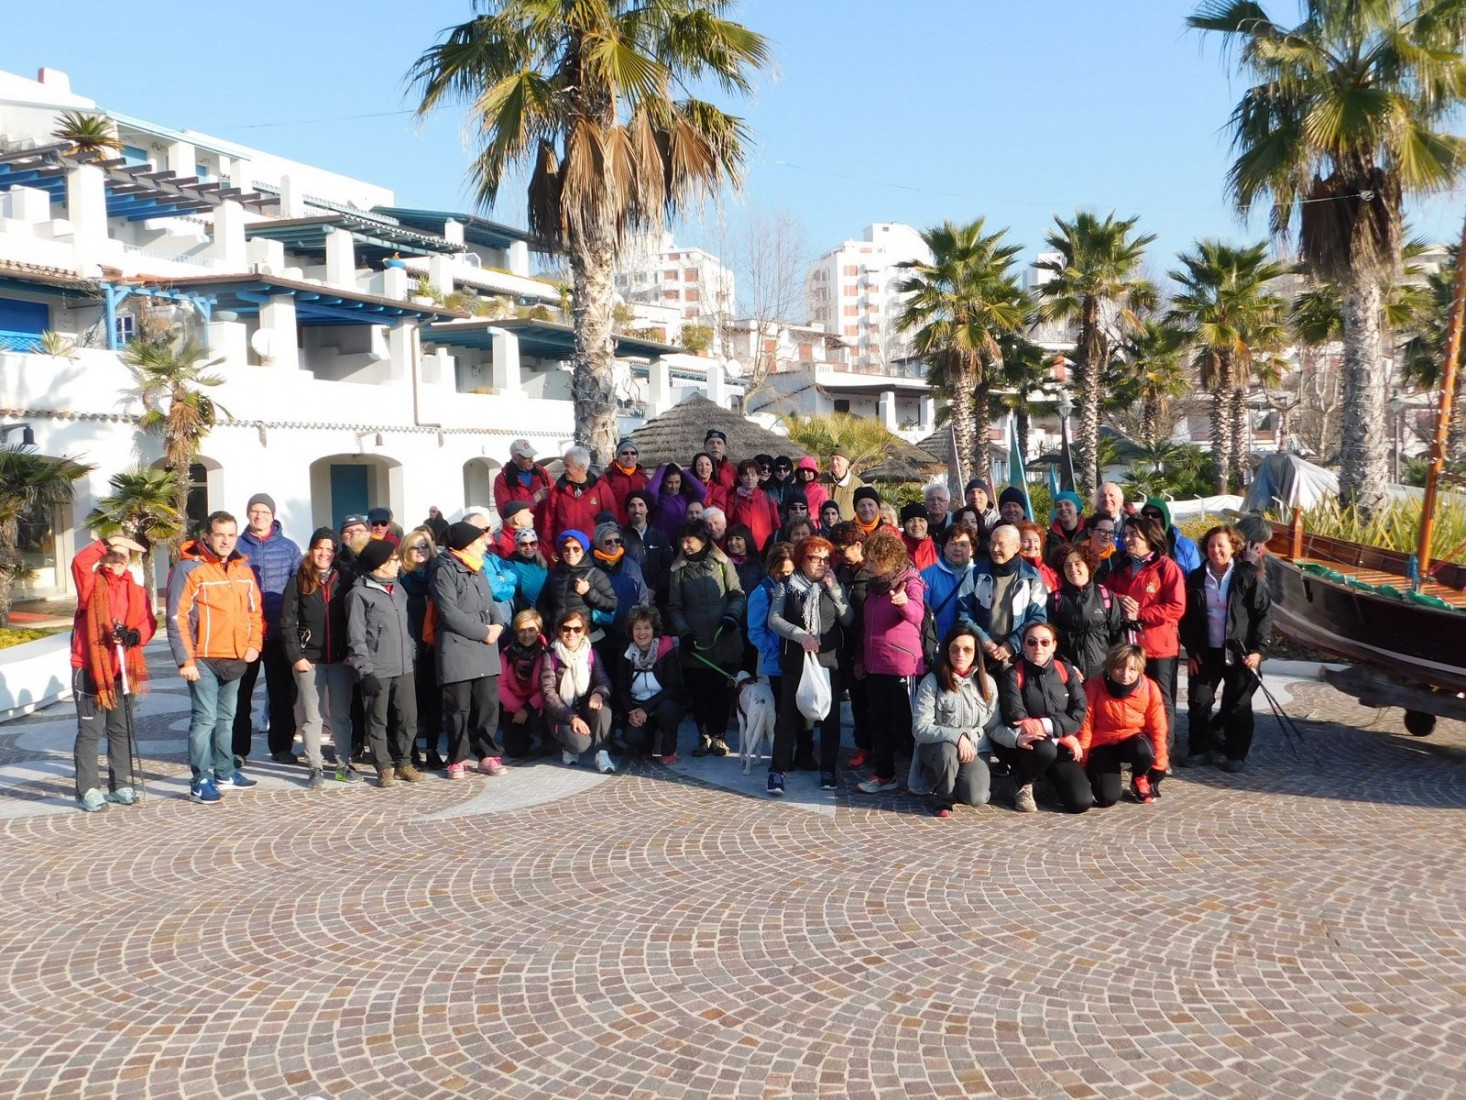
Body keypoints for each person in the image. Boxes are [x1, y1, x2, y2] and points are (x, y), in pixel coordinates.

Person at [167, 511, 264, 805]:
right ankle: (200, 780)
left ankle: (225, 771)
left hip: (235, 658)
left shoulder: (243, 570)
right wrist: (185, 660)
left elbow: (255, 612)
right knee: (205, 720)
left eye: (231, 535)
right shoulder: (190, 569)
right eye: (220, 534)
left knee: (226, 720)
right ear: (207, 536)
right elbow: (177, 617)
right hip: (203, 658)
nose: (226, 541)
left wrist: (254, 644)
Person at [1179, 524, 1273, 773]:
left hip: (1239, 652)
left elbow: (1263, 614)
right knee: (1199, 701)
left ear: (1233, 547)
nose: (1216, 550)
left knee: (1237, 705)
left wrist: (1258, 650)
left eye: (1221, 545)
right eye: (1211, 545)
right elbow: (1186, 618)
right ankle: (1199, 749)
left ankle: (1235, 754)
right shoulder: (1196, 578)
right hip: (1205, 652)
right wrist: (1191, 651)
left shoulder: (1246, 575)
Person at [70, 534, 154, 812]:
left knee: (120, 728)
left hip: (122, 667)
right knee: (90, 730)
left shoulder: (137, 590)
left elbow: (147, 622)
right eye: (113, 554)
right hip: (90, 667)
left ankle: (120, 784)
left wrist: (134, 635)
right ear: (104, 556)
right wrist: (110, 541)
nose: (118, 559)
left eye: (123, 555)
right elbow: (79, 563)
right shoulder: (91, 583)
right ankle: (88, 789)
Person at [766, 534, 853, 795]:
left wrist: (835, 590)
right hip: (796, 659)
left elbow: (848, 619)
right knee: (788, 716)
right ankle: (777, 770)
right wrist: (799, 635)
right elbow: (774, 619)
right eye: (815, 558)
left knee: (830, 717)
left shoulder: (833, 584)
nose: (822, 564)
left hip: (827, 659)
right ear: (802, 559)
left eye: (826, 559)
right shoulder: (787, 584)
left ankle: (828, 768)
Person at [280, 528, 362, 789]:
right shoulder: (298, 580)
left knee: (341, 715)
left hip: (340, 659)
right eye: (319, 548)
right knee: (312, 716)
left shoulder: (345, 579)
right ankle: (315, 765)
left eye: (329, 549)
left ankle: (342, 764)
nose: (324, 553)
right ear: (311, 549)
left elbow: (356, 617)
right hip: (309, 659)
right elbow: (287, 622)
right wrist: (296, 656)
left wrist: (352, 652)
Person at [432, 521, 507, 779]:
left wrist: (499, 624)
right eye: (479, 541)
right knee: (458, 708)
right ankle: (457, 757)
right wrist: (484, 632)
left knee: (487, 706)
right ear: (465, 545)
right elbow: (448, 612)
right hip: (458, 649)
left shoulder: (478, 568)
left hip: (485, 648)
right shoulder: (444, 569)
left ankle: (488, 754)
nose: (485, 544)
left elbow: (490, 603)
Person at [991, 621, 1091, 814]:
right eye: (1032, 642)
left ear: (1054, 645)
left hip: (1060, 747)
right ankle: (1022, 783)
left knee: (1080, 802)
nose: (1038, 647)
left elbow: (1078, 712)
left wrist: (1047, 727)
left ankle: (1047, 780)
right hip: (1030, 748)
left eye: (1045, 642)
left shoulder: (1066, 671)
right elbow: (1016, 717)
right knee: (1045, 749)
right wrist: (1063, 735)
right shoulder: (1013, 674)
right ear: (1023, 645)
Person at [1108, 514, 1187, 751]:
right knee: (1130, 697)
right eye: (1126, 534)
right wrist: (1119, 600)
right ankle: (1134, 749)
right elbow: (1106, 595)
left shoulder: (1166, 567)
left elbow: (1177, 606)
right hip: (1128, 646)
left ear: (1149, 538)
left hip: (1158, 647)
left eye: (1134, 534)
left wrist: (1141, 613)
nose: (1127, 539)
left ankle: (1162, 752)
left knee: (1161, 700)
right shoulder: (1120, 566)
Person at [346, 539, 421, 787]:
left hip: (404, 666)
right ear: (379, 563)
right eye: (393, 559)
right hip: (376, 669)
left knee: (408, 717)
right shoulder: (359, 594)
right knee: (377, 719)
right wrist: (365, 671)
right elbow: (356, 636)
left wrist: (411, 652)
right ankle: (383, 767)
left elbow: (408, 626)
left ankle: (404, 763)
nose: (399, 563)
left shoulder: (399, 589)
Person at [855, 531, 925, 795]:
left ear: (889, 560)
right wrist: (860, 658)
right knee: (879, 722)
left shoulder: (910, 580)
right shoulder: (874, 585)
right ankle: (885, 775)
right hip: (874, 664)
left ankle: (922, 774)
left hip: (901, 665)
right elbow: (866, 625)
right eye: (868, 559)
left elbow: (917, 615)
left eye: (873, 560)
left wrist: (903, 603)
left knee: (910, 724)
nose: (868, 565)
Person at [233, 492, 301, 767]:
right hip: (245, 633)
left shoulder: (288, 548)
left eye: (265, 511)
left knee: (281, 692)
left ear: (273, 516)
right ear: (248, 513)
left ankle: (282, 746)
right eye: (255, 510)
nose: (259, 515)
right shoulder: (236, 546)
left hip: (277, 630)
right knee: (241, 694)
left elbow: (298, 587)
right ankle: (238, 749)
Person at [667, 518, 744, 757]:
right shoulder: (678, 570)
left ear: (702, 541)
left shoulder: (722, 563)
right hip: (695, 644)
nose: (685, 546)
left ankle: (719, 734)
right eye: (682, 542)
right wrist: (684, 632)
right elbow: (675, 607)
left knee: (721, 692)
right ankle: (704, 735)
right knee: (698, 693)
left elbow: (737, 594)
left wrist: (732, 616)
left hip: (724, 640)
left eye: (689, 541)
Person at [911, 622, 999, 817]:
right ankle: (944, 797)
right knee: (947, 751)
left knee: (976, 797)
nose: (961, 654)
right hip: (938, 747)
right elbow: (920, 727)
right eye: (955, 648)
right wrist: (958, 736)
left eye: (967, 649)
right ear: (947, 650)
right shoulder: (932, 681)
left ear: (975, 653)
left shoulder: (988, 683)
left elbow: (993, 726)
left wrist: (1018, 737)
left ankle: (951, 777)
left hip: (975, 749)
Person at [1076, 642, 1169, 806]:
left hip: (1133, 739)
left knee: (1144, 750)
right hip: (1103, 742)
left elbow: (1158, 728)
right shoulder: (1094, 686)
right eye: (1119, 668)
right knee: (1107, 798)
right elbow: (1086, 727)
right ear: (1110, 667)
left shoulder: (1149, 688)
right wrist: (1082, 763)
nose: (1125, 675)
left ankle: (1140, 778)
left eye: (1132, 669)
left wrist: (1160, 765)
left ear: (1139, 670)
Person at [540, 608, 617, 773]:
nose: (571, 633)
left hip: (584, 705)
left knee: (604, 707)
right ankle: (569, 747)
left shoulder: (591, 654)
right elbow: (548, 695)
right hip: (562, 711)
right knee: (580, 744)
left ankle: (601, 753)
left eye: (577, 629)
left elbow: (604, 681)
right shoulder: (551, 656)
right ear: (559, 631)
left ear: (584, 632)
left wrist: (598, 693)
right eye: (566, 628)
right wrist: (572, 717)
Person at [617, 605, 688, 763]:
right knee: (631, 737)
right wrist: (630, 712)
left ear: (653, 629)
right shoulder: (625, 652)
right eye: (637, 628)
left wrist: (646, 708)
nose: (642, 633)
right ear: (631, 631)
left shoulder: (666, 649)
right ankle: (648, 745)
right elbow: (621, 688)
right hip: (637, 706)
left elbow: (672, 687)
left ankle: (669, 749)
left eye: (646, 627)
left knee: (667, 710)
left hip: (663, 704)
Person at [397, 527, 444, 771]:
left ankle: (433, 749)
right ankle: (411, 751)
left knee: (434, 702)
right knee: (411, 705)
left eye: (424, 545)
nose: (420, 550)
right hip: (408, 648)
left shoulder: (437, 577)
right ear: (406, 550)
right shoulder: (399, 579)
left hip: (434, 647)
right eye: (415, 546)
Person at [1047, 542, 1127, 683]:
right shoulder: (1055, 600)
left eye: (1078, 563)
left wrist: (1116, 666)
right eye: (1067, 565)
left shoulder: (1106, 595)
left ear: (1088, 566)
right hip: (1070, 675)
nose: (1073, 569)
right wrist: (1067, 667)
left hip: (1103, 672)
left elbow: (1118, 635)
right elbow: (1052, 640)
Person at [970, 524, 1048, 667]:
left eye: (1001, 544)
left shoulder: (1032, 576)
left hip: (1017, 658)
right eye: (992, 543)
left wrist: (1012, 645)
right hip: (982, 653)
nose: (995, 549)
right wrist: (985, 641)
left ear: (1017, 547)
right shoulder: (976, 574)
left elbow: (1038, 616)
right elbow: (964, 613)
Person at [829, 522, 874, 768]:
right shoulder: (840, 571)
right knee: (858, 699)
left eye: (842, 550)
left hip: (872, 645)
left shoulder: (873, 570)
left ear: (858, 545)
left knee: (876, 701)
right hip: (848, 645)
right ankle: (864, 745)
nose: (839, 555)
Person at [538, 529, 618, 643]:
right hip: (561, 637)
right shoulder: (554, 574)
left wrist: (588, 592)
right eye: (566, 549)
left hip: (588, 637)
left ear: (583, 551)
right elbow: (543, 603)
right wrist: (552, 624)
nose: (571, 553)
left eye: (576, 549)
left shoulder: (596, 574)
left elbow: (612, 604)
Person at [541, 445, 614, 552]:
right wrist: (550, 549)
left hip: (593, 550)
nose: (564, 469)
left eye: (567, 466)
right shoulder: (558, 490)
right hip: (566, 550)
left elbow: (611, 521)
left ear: (580, 467)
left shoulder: (600, 488)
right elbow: (548, 522)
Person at [747, 542, 795, 704]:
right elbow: (755, 631)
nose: (785, 577)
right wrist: (774, 653)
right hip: (777, 663)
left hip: (796, 659)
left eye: (789, 572)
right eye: (780, 573)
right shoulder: (762, 593)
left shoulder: (796, 587)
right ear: (771, 569)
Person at [499, 609, 548, 759]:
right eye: (522, 630)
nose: (527, 635)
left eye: (531, 629)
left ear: (538, 630)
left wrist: (528, 708)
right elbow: (499, 685)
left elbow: (549, 686)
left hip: (539, 703)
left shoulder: (547, 652)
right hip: (514, 704)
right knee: (515, 751)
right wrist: (519, 708)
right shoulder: (507, 653)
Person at [920, 526, 978, 642]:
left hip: (972, 642)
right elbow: (921, 613)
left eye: (963, 545)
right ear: (944, 547)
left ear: (972, 549)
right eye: (953, 544)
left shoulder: (980, 575)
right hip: (938, 641)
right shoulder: (927, 575)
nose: (957, 549)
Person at [621, 489, 673, 602]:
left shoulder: (660, 536)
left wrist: (654, 589)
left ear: (647, 508)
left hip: (658, 599)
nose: (637, 510)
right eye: (632, 506)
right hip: (631, 598)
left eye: (641, 505)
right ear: (627, 510)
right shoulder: (620, 538)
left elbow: (668, 567)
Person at [727, 458, 781, 551]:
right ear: (740, 477)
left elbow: (776, 524)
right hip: (742, 549)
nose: (750, 478)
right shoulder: (733, 499)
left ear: (758, 477)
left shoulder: (767, 497)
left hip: (765, 548)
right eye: (746, 475)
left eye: (753, 474)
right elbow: (729, 525)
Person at [493, 438, 554, 519]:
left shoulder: (540, 471)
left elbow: (553, 496)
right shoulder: (502, 479)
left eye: (532, 455)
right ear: (515, 459)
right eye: (526, 457)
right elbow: (505, 513)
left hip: (542, 524)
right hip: (521, 526)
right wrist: (534, 499)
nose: (531, 460)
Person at [646, 462, 708, 541]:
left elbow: (702, 492)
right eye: (669, 482)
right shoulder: (659, 498)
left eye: (677, 482)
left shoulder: (686, 497)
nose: (674, 486)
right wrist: (662, 468)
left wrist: (684, 471)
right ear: (663, 481)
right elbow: (650, 491)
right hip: (664, 542)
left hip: (684, 541)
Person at [1140, 497, 1202, 575]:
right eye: (1145, 514)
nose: (1149, 518)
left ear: (1164, 517)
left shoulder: (1185, 545)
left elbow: (1195, 576)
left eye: (1155, 515)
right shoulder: (1137, 543)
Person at [501, 527, 549, 613]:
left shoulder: (542, 562)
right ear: (517, 546)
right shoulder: (512, 565)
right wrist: (525, 608)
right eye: (523, 544)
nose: (528, 547)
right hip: (528, 613)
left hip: (547, 611)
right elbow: (509, 594)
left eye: (532, 543)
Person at [604, 438, 649, 524]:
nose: (629, 456)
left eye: (633, 453)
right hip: (617, 526)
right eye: (625, 453)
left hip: (639, 525)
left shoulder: (643, 478)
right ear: (618, 456)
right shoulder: (607, 478)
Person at [1045, 490, 1086, 567]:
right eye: (1059, 506)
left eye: (1067, 504)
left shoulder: (1089, 532)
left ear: (1077, 508)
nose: (1063, 508)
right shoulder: (1050, 537)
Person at [1016, 521, 1060, 592]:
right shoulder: (1014, 568)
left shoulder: (1048, 569)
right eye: (1027, 541)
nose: (1032, 545)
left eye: (1036, 541)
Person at [826, 446, 867, 519]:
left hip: (849, 525)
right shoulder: (819, 481)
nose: (834, 462)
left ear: (847, 462)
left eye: (838, 459)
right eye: (832, 459)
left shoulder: (858, 484)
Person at [900, 502, 938, 571]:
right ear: (905, 525)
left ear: (927, 523)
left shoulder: (939, 550)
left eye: (921, 520)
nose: (917, 524)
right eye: (911, 520)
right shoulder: (897, 550)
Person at [1086, 514, 1120, 585]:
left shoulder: (1117, 558)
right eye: (1103, 531)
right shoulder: (1078, 555)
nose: (1107, 536)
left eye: (1111, 532)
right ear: (1090, 532)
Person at [702, 428, 738, 493]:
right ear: (705, 447)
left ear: (725, 447)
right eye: (711, 443)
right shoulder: (697, 470)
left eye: (719, 443)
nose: (715, 446)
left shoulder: (733, 471)